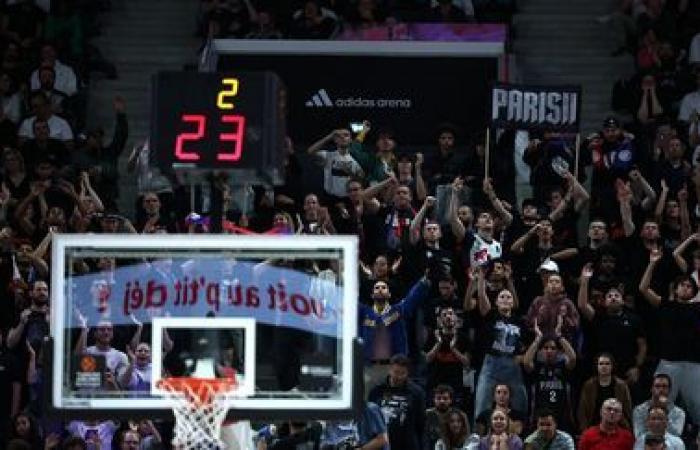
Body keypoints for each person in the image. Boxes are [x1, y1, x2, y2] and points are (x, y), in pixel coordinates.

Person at [639, 248, 700, 425]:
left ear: (694, 292)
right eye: (682, 284)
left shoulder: (697, 308)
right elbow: (643, 288)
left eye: (690, 286)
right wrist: (652, 263)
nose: (686, 287)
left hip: (694, 364)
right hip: (668, 363)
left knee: (698, 407)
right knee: (659, 404)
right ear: (676, 288)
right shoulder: (666, 305)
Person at [474, 269, 527, 419]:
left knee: (520, 401)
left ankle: (520, 435)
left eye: (508, 297)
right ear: (496, 302)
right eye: (501, 297)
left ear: (513, 302)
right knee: (482, 402)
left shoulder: (520, 322)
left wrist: (522, 356)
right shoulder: (491, 316)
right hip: (492, 363)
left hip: (512, 364)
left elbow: (525, 345)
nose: (505, 299)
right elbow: (481, 295)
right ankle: (478, 436)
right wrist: (481, 277)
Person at [523, 317, 576, 431]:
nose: (549, 351)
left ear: (558, 351)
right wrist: (538, 339)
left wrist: (559, 336)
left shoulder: (562, 366)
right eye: (546, 348)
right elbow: (526, 362)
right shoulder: (537, 367)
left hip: (561, 416)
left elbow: (572, 358)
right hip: (540, 417)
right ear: (540, 350)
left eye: (553, 348)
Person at [368, 354, 426, 450]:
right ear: (389, 370)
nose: (398, 376)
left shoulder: (416, 393)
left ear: (408, 373)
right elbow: (370, 421)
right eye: (396, 372)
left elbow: (421, 423)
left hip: (407, 444)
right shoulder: (376, 391)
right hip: (382, 443)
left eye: (402, 373)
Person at [578, 354, 633, 432]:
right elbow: (582, 410)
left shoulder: (621, 385)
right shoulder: (589, 385)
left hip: (618, 427)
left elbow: (627, 408)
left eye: (607, 363)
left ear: (612, 366)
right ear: (597, 366)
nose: (604, 366)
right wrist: (584, 430)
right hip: (593, 426)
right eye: (601, 364)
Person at [632, 374, 685, 438]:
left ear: (669, 390)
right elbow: (639, 435)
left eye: (664, 386)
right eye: (657, 386)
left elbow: (676, 434)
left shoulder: (679, 412)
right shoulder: (639, 410)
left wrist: (664, 411)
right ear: (651, 389)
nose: (661, 390)